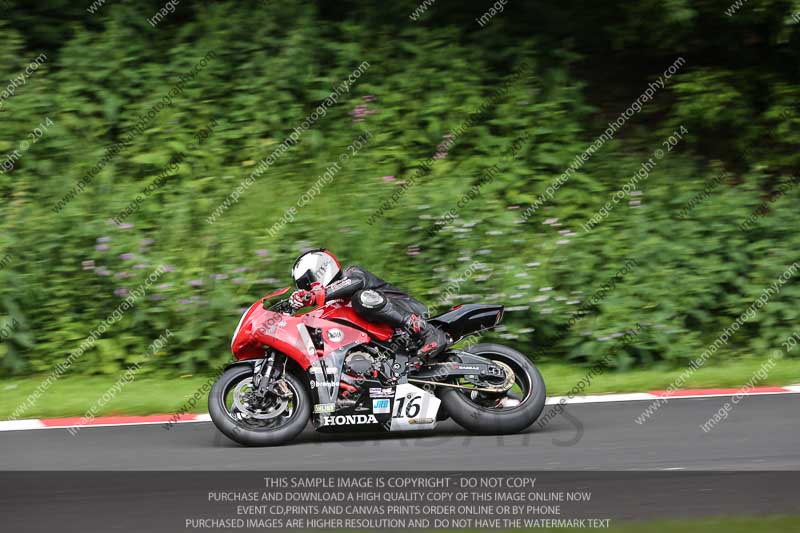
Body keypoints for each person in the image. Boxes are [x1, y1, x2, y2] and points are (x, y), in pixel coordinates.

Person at [288, 249, 447, 359]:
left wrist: (316, 295)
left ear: (320, 270)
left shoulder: (352, 273)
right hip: (391, 344)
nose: (306, 290)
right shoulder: (333, 305)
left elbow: (356, 282)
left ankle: (427, 331)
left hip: (408, 309)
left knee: (362, 298)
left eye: (306, 284)